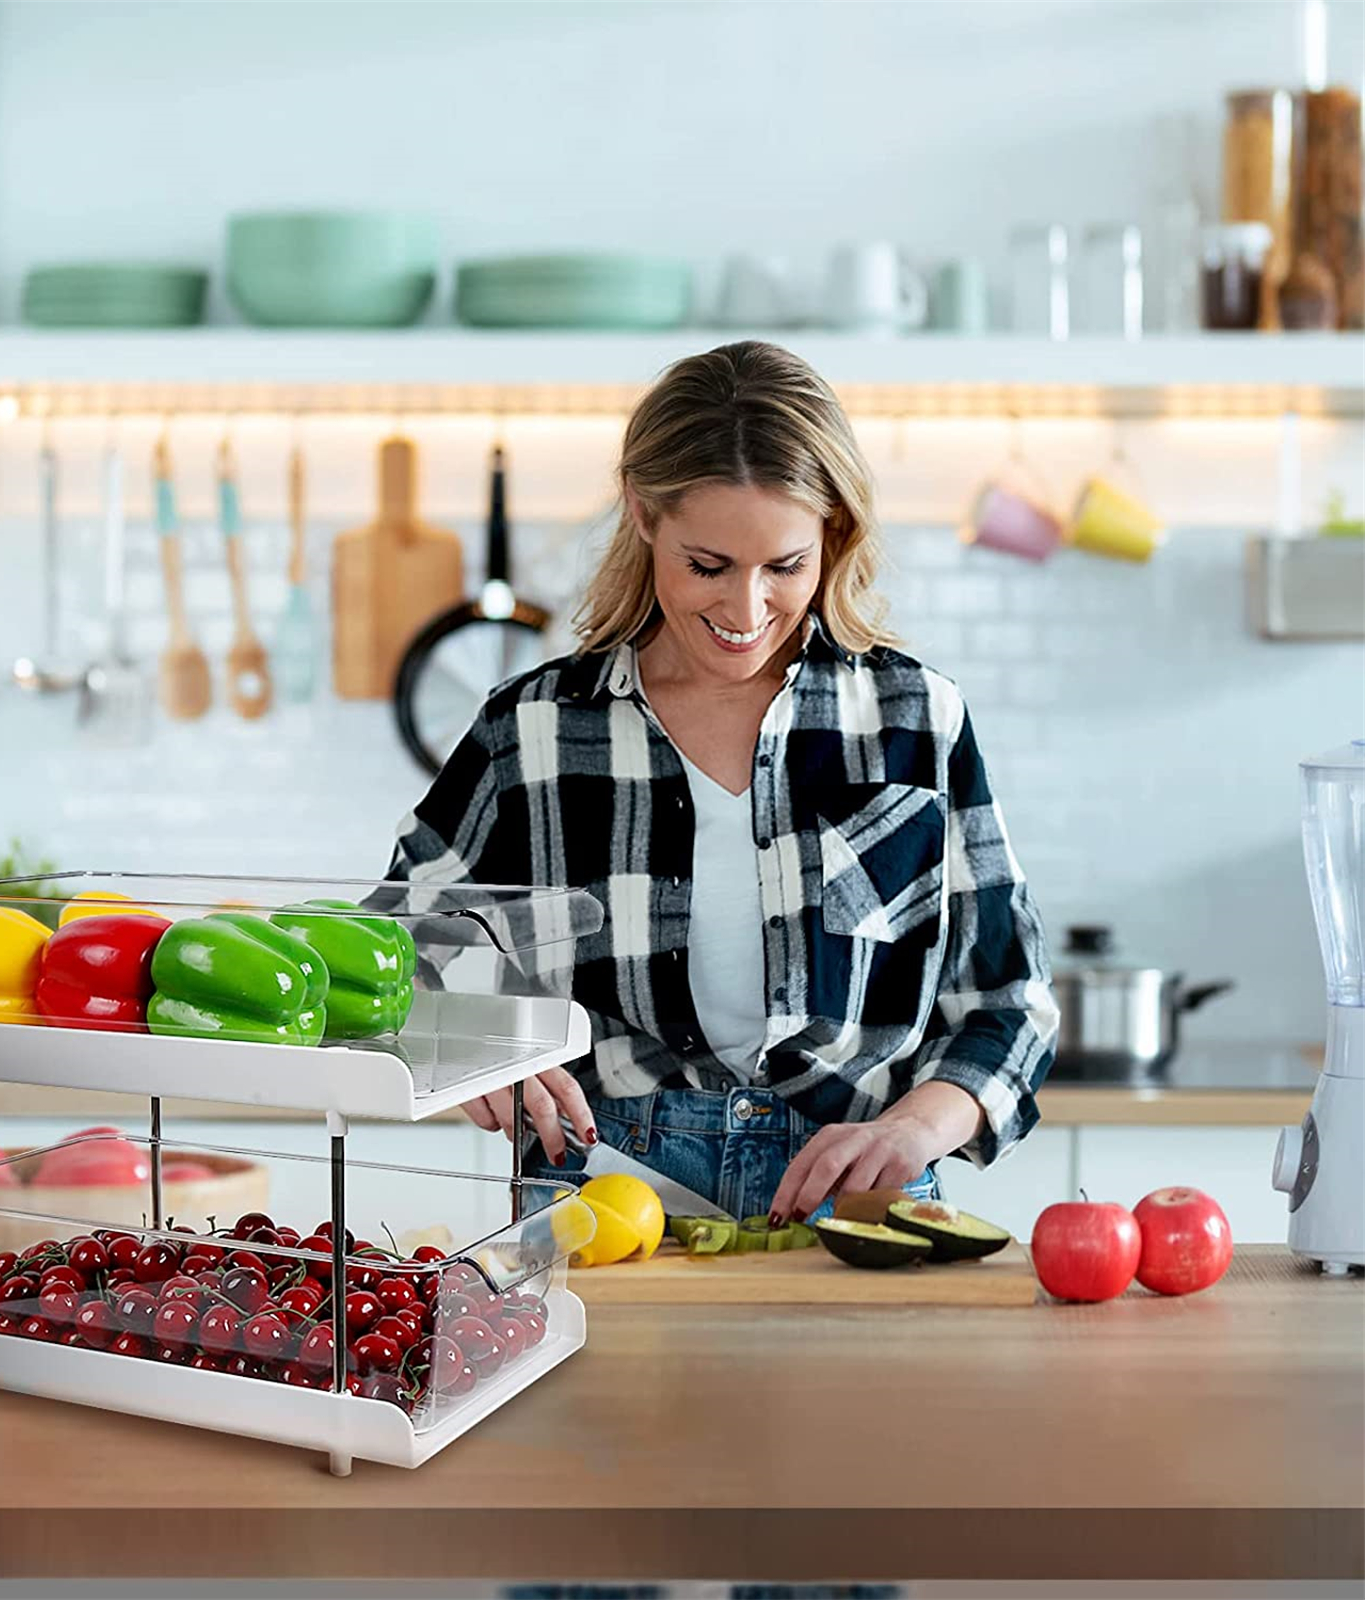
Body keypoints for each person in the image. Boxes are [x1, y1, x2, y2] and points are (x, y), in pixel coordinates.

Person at [386, 340, 1057, 1225]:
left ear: (834, 536)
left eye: (785, 567)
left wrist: (916, 1129)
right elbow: (392, 946)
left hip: (857, 1202)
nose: (746, 613)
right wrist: (465, 1034)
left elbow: (1011, 1002)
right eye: (709, 566)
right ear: (642, 514)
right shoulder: (537, 730)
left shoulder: (915, 718)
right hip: (607, 1187)